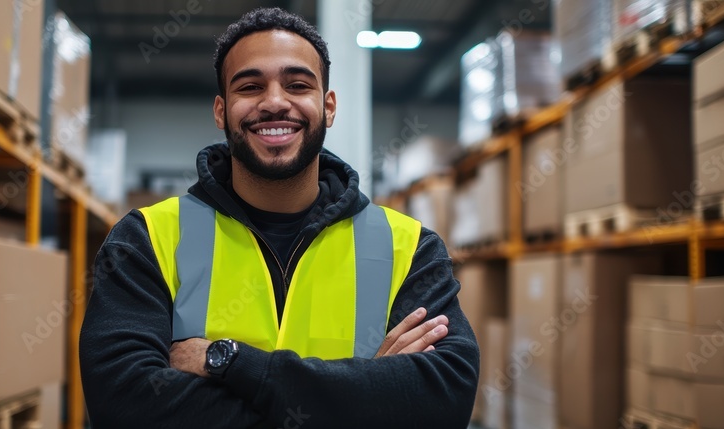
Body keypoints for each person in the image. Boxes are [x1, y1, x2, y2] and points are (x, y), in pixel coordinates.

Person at [80, 7, 479, 428]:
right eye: (250, 86)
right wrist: (364, 396)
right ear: (221, 111)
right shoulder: (147, 239)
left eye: (297, 84)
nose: (274, 102)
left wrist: (232, 363)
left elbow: (444, 400)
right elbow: (124, 406)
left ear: (328, 107)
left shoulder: (410, 248)